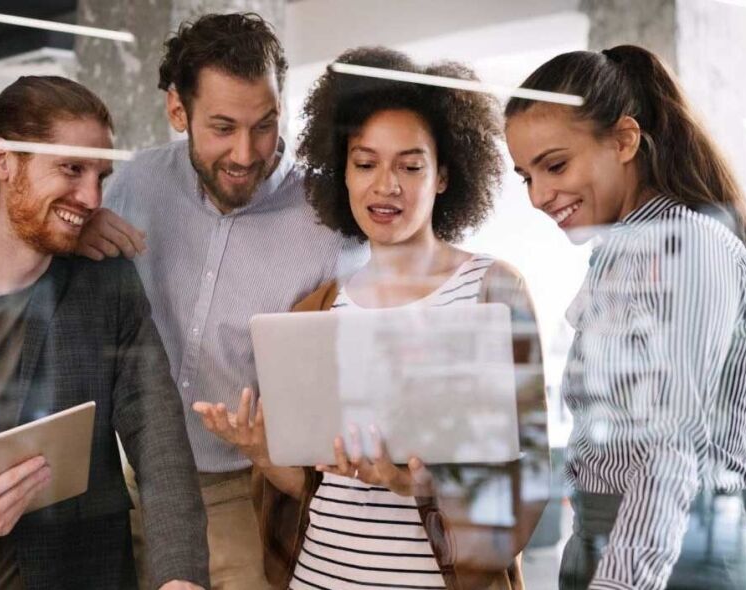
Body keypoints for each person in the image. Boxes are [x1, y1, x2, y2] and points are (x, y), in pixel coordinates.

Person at [195, 47, 552, 590]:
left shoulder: (492, 291)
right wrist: (262, 452)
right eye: (365, 164)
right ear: (344, 173)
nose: (386, 186)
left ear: (443, 176)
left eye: (410, 166)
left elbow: (527, 482)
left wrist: (416, 482)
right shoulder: (317, 309)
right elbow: (317, 488)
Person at [74, 13, 364, 589]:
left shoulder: (329, 222)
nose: (245, 152)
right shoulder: (135, 184)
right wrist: (78, 236)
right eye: (223, 126)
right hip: (137, 482)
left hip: (246, 491)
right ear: (177, 112)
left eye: (264, 125)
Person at [0, 76, 208, 589]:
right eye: (71, 169)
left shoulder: (107, 289)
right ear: (3, 162)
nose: (90, 196)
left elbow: (160, 445)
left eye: (100, 177)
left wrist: (181, 576)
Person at [504, 45, 746, 590]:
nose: (539, 196)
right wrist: (714, 471)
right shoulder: (627, 252)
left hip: (662, 562)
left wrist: (703, 488)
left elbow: (667, 449)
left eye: (555, 165)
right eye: (525, 177)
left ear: (625, 140)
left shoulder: (678, 249)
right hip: (636, 542)